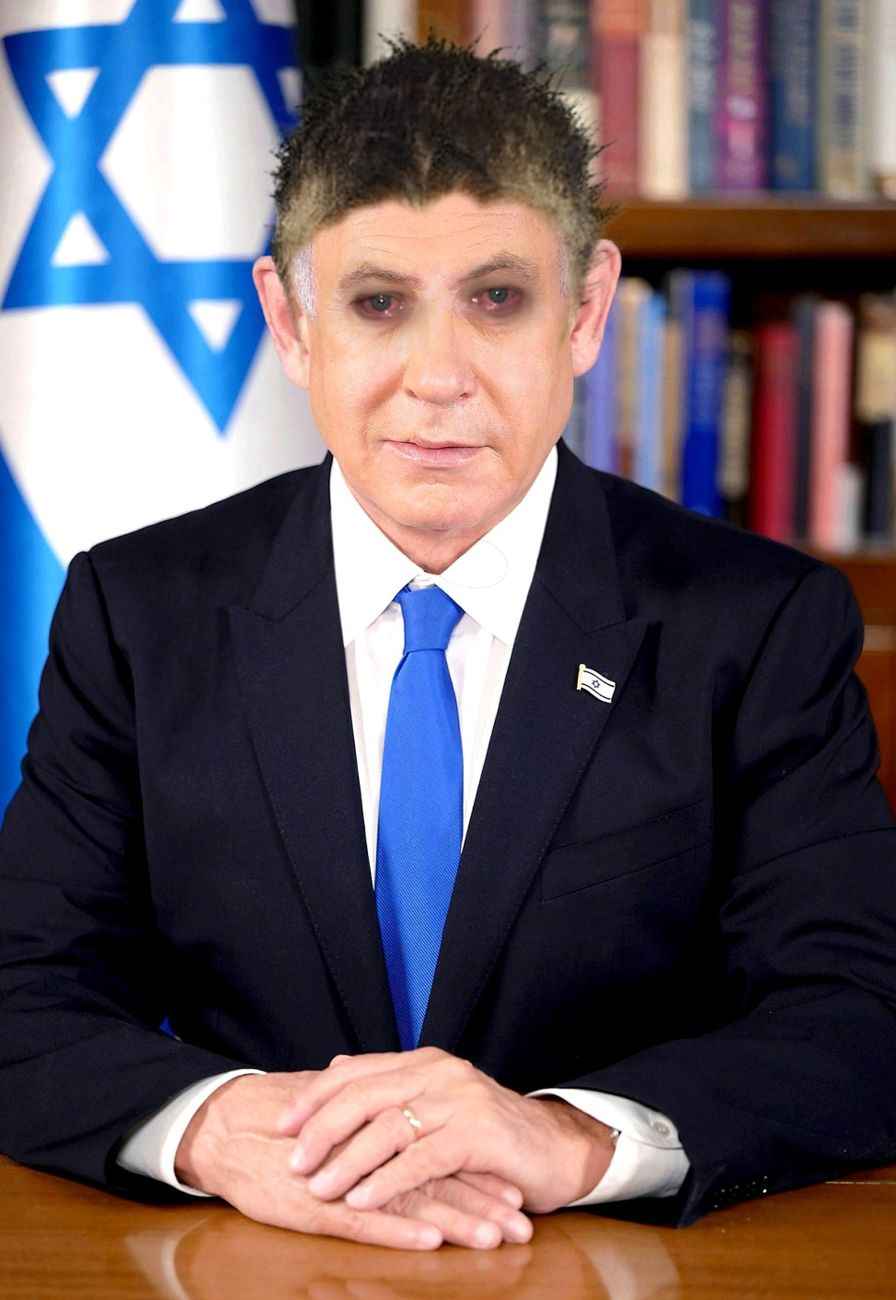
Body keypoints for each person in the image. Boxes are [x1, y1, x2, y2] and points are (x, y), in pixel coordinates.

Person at [1, 38, 895, 1254]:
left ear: (585, 312)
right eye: (378, 304)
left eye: (496, 299)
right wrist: (216, 1127)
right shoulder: (137, 612)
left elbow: (856, 1019)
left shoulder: (756, 624)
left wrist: (567, 1137)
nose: (438, 378)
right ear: (289, 321)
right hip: (252, 1260)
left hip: (608, 1266)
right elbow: (23, 993)